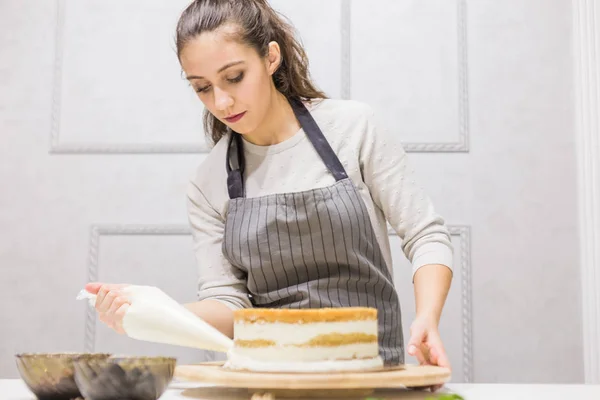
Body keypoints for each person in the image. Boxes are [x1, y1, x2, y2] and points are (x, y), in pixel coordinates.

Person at [86, 0, 454, 380]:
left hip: (368, 374)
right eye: (202, 88)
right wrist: (150, 309)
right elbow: (228, 303)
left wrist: (427, 317)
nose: (221, 102)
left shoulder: (354, 127)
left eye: (234, 77)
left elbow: (425, 235)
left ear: (271, 57)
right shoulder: (208, 181)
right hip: (265, 380)